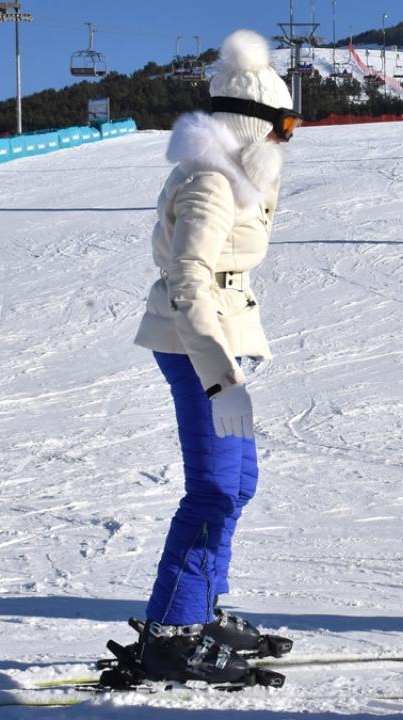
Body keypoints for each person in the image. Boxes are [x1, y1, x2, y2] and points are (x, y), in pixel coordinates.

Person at [127, 28, 302, 683]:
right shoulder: (211, 183)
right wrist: (220, 378)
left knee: (238, 484)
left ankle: (200, 609)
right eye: (284, 125)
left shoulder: (234, 177)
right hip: (199, 347)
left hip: (222, 344)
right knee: (213, 491)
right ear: (252, 124)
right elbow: (187, 283)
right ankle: (173, 634)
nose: (288, 139)